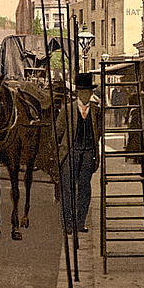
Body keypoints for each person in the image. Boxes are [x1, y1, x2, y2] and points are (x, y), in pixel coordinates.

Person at [55, 72, 101, 233]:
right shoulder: (67, 110)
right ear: (78, 93)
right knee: (68, 189)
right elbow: (58, 131)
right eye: (83, 92)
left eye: (88, 92)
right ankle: (68, 224)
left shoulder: (96, 110)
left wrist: (94, 151)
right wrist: (59, 152)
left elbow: (98, 131)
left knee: (85, 188)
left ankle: (80, 222)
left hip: (88, 153)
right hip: (71, 152)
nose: (86, 95)